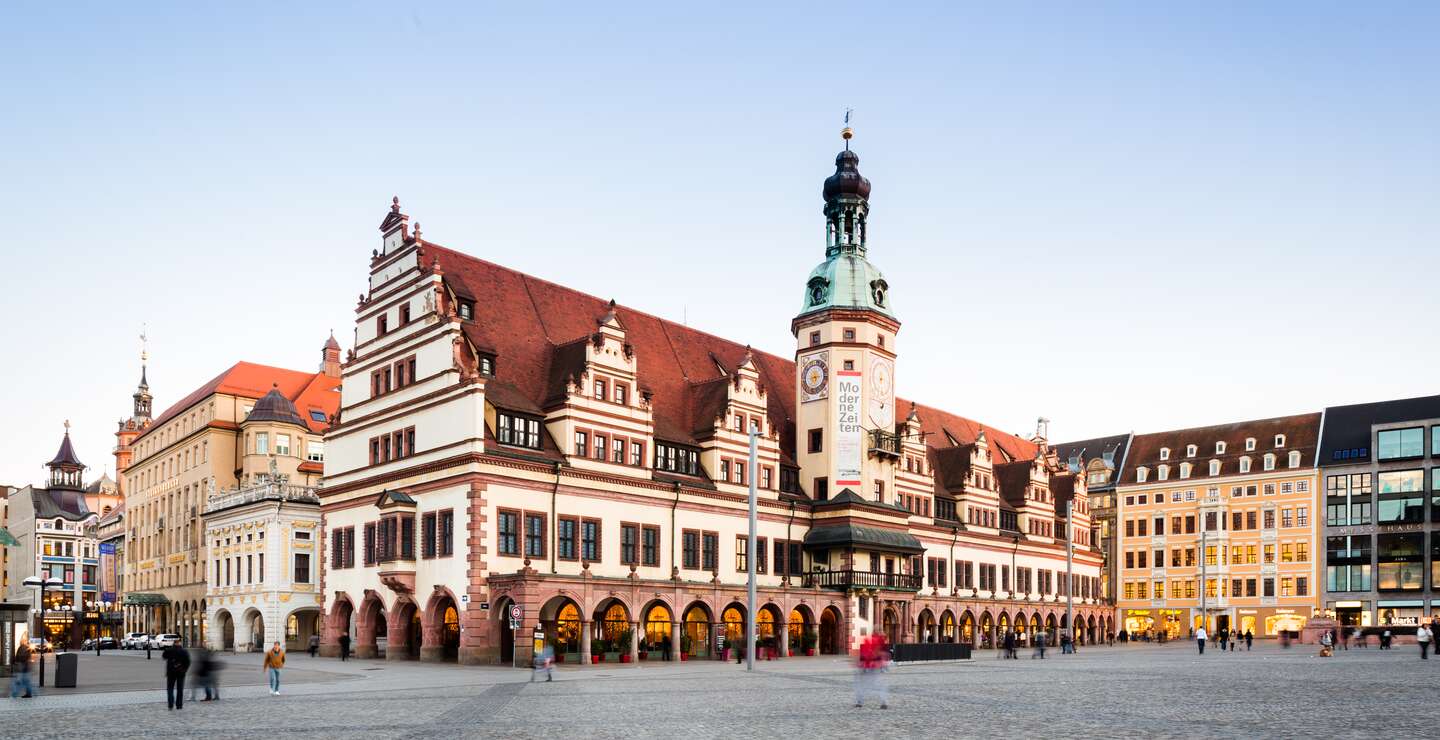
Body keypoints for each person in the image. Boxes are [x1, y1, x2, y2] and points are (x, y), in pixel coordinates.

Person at [854, 629, 890, 709]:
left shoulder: (873, 642)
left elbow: (863, 655)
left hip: (871, 667)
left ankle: (860, 702)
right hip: (872, 667)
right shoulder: (878, 642)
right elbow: (884, 656)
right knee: (879, 685)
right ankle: (883, 702)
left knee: (863, 685)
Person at [162, 640, 191, 710]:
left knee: (170, 689)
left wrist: (166, 651)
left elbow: (164, 657)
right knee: (180, 689)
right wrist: (184, 670)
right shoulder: (184, 651)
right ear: (179, 643)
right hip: (181, 672)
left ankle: (170, 705)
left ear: (173, 643)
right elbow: (188, 662)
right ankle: (179, 705)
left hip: (171, 672)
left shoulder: (169, 650)